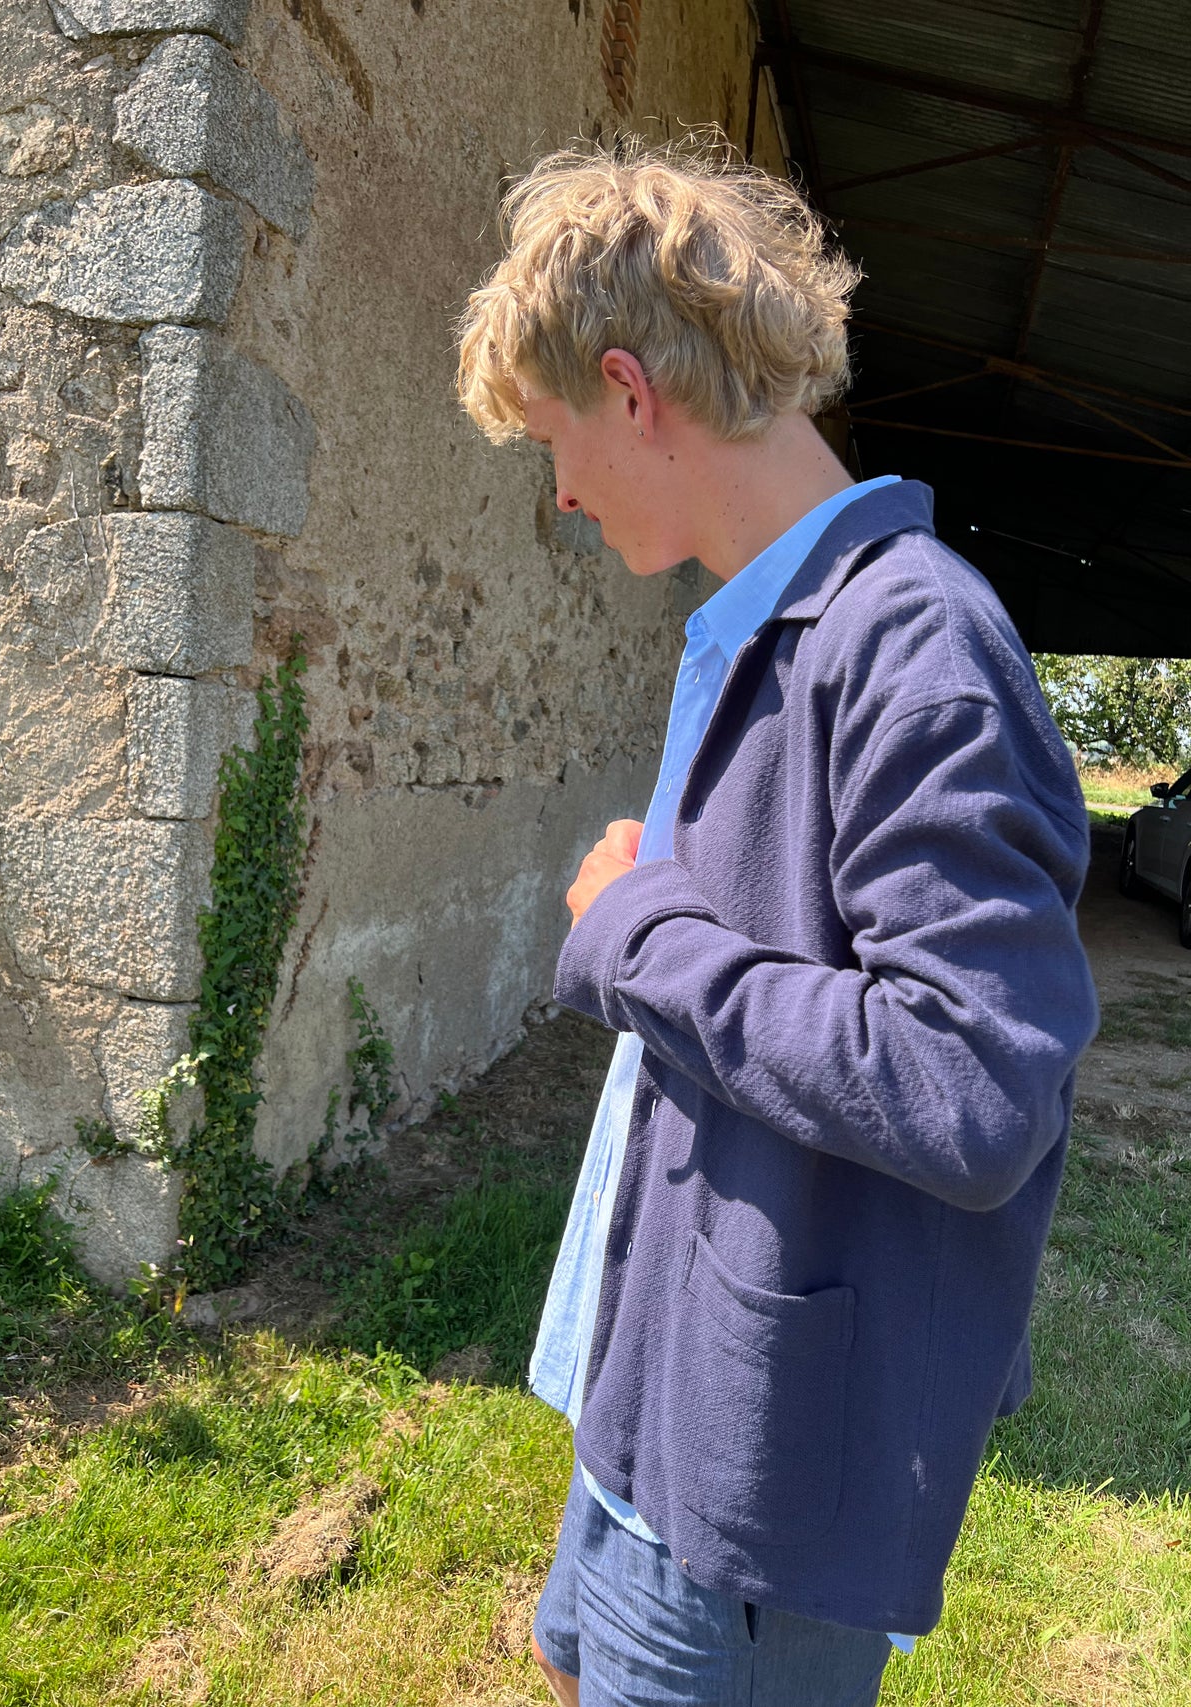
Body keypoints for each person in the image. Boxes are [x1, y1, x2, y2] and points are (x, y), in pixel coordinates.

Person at [455, 140, 1098, 1707]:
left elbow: (974, 1086)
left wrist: (644, 932)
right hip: (651, 1398)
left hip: (755, 1481)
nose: (559, 490)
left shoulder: (917, 645)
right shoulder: (758, 625)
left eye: (554, 440)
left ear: (628, 390)